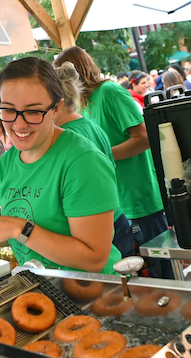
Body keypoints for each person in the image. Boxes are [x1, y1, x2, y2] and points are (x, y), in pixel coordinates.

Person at [0, 57, 122, 274]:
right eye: (8, 110)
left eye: (33, 111)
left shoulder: (83, 162)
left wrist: (18, 227)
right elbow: (14, 238)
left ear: (56, 108)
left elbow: (94, 258)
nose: (19, 124)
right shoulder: (9, 161)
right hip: (44, 290)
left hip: (94, 294)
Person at [54, 47, 171, 279]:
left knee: (163, 273)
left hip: (139, 198)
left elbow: (145, 138)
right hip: (115, 204)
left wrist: (101, 157)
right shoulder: (82, 104)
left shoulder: (109, 91)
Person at [54, 62, 134, 258]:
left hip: (100, 228)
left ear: (56, 103)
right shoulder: (90, 125)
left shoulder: (67, 138)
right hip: (115, 219)